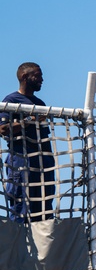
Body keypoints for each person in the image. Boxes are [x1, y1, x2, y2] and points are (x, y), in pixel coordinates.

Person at [0, 63, 55, 223]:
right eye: (38, 76)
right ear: (25, 77)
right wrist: (31, 119)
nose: (42, 80)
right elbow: (3, 129)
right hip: (22, 161)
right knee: (21, 210)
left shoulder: (40, 103)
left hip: (43, 163)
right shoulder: (11, 101)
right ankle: (17, 247)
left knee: (44, 213)